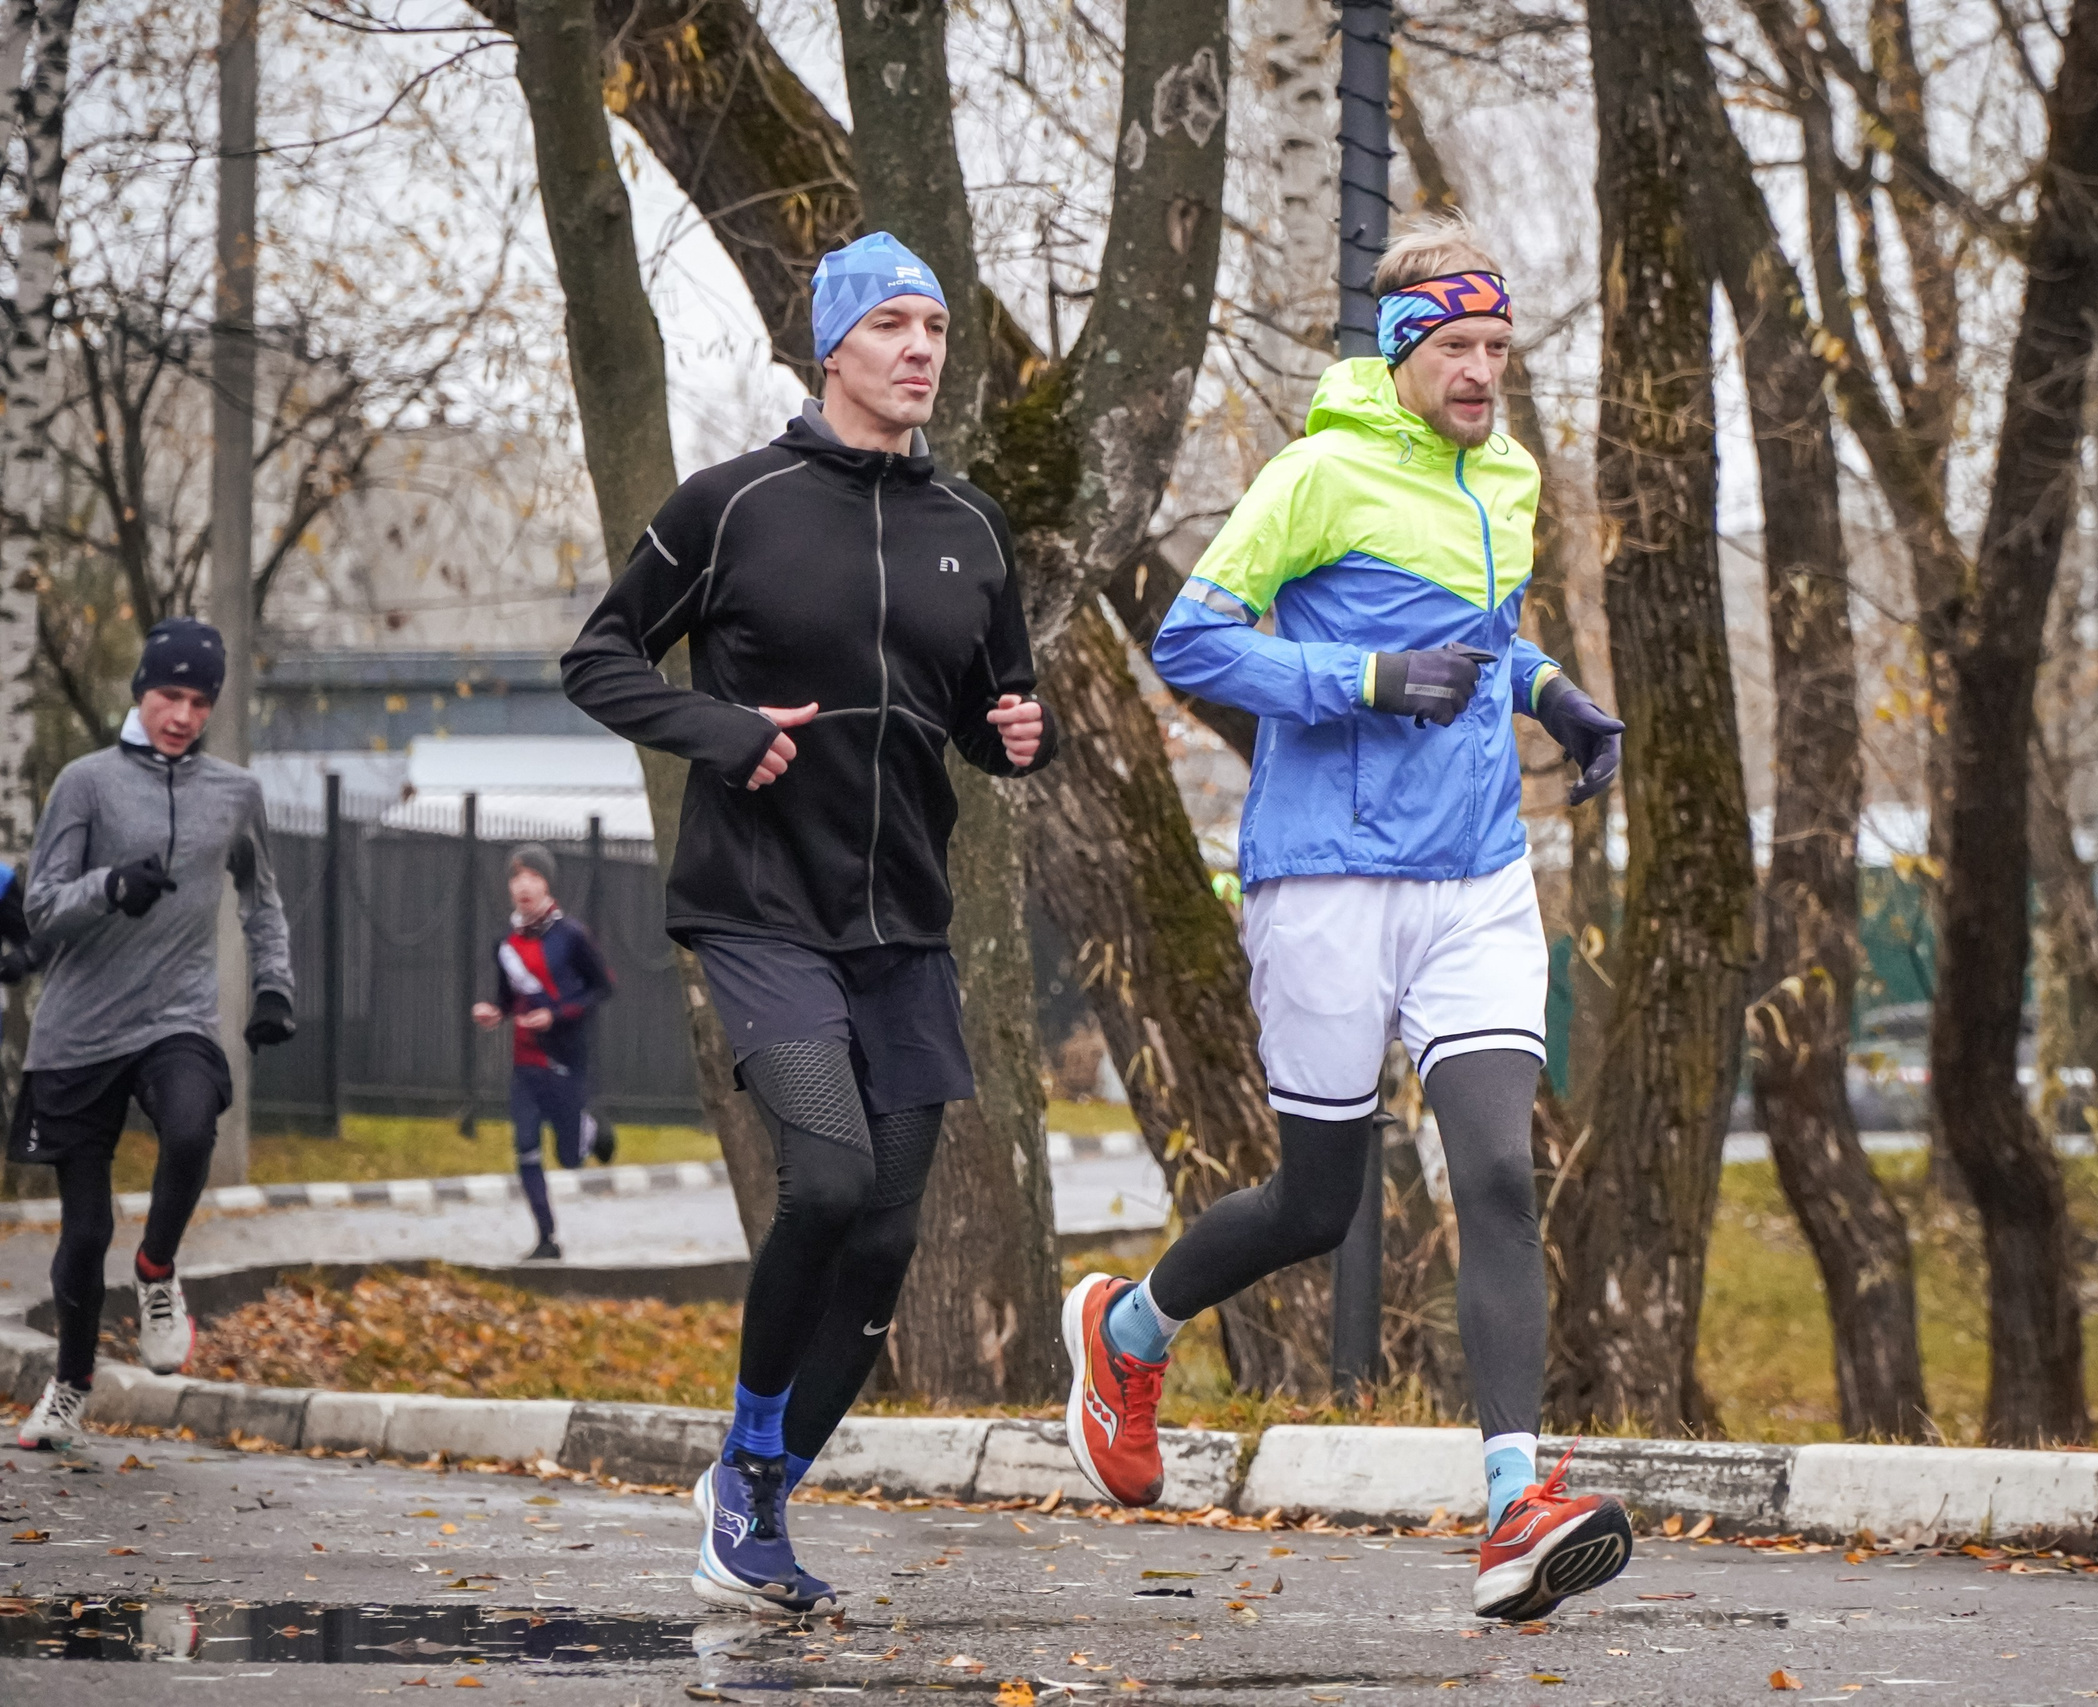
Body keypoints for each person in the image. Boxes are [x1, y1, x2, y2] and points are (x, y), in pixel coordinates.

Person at [1059, 220, 1632, 1623]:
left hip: (1479, 877)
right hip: (1325, 876)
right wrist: (1366, 676)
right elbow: (1196, 637)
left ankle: (1514, 1500)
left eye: (1500, 348)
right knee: (1317, 1201)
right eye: (1460, 349)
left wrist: (1546, 689)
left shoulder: (1507, 475)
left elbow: (1484, 638)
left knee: (1497, 1167)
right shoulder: (1317, 475)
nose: (1486, 373)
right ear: (1401, 353)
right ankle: (1128, 1335)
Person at [561, 230, 1054, 1614]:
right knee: (827, 1178)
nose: (919, 350)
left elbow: (996, 713)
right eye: (893, 324)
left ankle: (753, 1488)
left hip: (905, 917)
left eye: (936, 328)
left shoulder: (972, 528)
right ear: (831, 344)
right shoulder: (735, 503)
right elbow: (596, 654)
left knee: (890, 1234)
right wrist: (717, 729)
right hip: (762, 904)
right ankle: (755, 1470)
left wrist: (1023, 732)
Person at [7, 618, 296, 1452]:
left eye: (200, 700)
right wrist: (110, 887)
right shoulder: (85, 783)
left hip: (176, 1013)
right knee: (86, 1229)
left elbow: (261, 897)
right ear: (141, 690)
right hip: (80, 1028)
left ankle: (159, 1271)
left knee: (188, 1124)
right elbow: (38, 907)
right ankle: (69, 1385)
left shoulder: (234, 792)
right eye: (170, 694)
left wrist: (273, 984)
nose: (182, 714)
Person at [471, 843, 617, 1262]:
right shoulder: (505, 944)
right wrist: (493, 1012)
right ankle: (546, 1239)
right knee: (525, 1145)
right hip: (526, 1065)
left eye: (532, 877)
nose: (523, 885)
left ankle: (591, 1129)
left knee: (570, 1159)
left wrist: (556, 1016)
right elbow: (506, 997)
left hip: (566, 1061)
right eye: (516, 878)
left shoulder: (571, 936)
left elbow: (603, 987)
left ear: (547, 884)